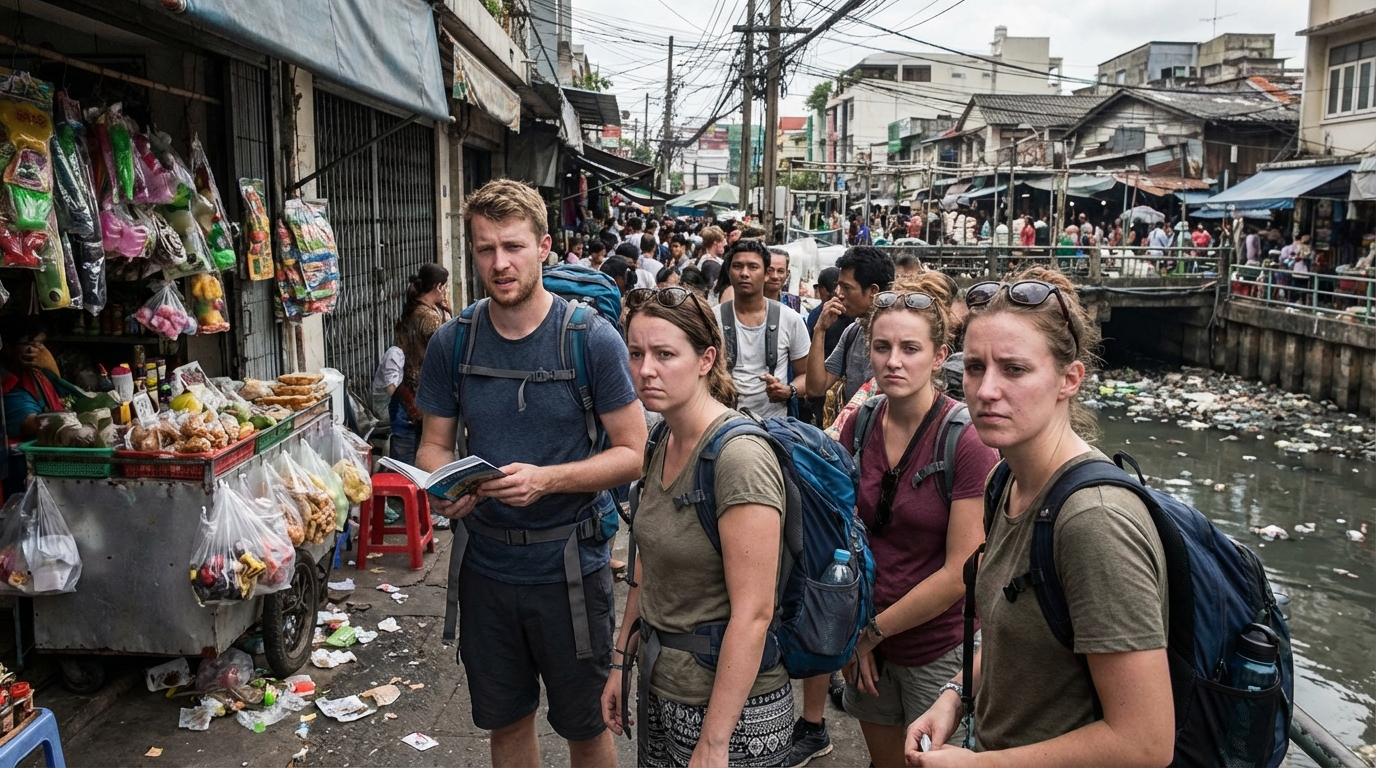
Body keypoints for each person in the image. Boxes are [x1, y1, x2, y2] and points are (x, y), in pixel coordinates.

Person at [415, 179, 648, 768]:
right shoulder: (452, 342)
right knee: (506, 722)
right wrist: (446, 489)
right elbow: (434, 446)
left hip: (569, 568)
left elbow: (633, 451)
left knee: (587, 726)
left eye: (513, 246)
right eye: (486, 248)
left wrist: (547, 480)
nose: (500, 263)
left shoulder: (589, 339)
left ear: (543, 246)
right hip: (486, 568)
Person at [904, 267, 1172, 767]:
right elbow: (1018, 641)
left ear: (1069, 379)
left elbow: (1145, 742)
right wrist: (955, 697)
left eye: (1015, 370)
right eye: (976, 367)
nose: (985, 391)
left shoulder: (1095, 523)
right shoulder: (1003, 481)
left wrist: (980, 765)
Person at [601, 286, 793, 767]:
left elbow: (755, 612)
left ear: (706, 359)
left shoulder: (739, 459)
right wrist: (621, 659)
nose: (646, 370)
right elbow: (645, 566)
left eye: (666, 354)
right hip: (662, 685)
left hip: (734, 712)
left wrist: (714, 741)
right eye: (637, 353)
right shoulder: (660, 439)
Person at [836, 272, 999, 768]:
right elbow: (842, 532)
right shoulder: (860, 424)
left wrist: (872, 632)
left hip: (937, 648)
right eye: (882, 347)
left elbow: (959, 574)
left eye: (910, 347)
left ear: (939, 352)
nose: (894, 361)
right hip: (868, 641)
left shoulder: (966, 441)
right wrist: (851, 633)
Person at [713, 239, 810, 419]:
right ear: (729, 271)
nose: (744, 273)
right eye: (737, 266)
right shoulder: (712, 319)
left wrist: (788, 390)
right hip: (723, 423)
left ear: (765, 273)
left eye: (753, 267)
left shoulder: (790, 319)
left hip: (774, 427)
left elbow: (807, 375)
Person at [393, 264, 452, 464]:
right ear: (437, 286)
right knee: (422, 453)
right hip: (422, 391)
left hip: (405, 389)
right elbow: (446, 350)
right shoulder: (427, 317)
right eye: (444, 286)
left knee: (407, 457)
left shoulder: (413, 309)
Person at [765, 248, 803, 312]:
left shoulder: (793, 302)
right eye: (770, 270)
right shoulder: (748, 301)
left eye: (780, 271)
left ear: (787, 274)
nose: (775, 276)